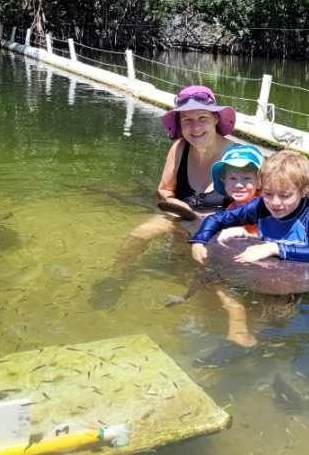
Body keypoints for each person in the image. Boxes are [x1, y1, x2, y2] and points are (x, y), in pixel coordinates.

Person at [98, 85, 237, 298]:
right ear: (180, 124)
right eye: (187, 120)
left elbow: (254, 204)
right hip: (179, 213)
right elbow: (164, 190)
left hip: (219, 225)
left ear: (216, 119)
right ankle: (117, 276)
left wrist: (207, 222)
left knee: (203, 272)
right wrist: (180, 209)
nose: (195, 127)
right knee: (137, 235)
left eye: (202, 118)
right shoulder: (180, 148)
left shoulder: (236, 156)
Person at [190, 150, 309, 264]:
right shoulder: (260, 205)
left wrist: (274, 248)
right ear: (261, 187)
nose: (275, 202)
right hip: (270, 267)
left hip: (303, 270)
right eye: (268, 193)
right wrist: (199, 241)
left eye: (285, 195)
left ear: (304, 191)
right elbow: (217, 219)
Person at [205, 143, 265, 347]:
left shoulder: (264, 204)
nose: (239, 184)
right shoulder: (232, 206)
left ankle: (239, 332)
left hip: (261, 267)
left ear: (259, 181)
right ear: (223, 181)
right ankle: (241, 330)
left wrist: (246, 232)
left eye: (246, 178)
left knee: (226, 288)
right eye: (233, 178)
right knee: (210, 276)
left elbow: (277, 232)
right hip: (240, 262)